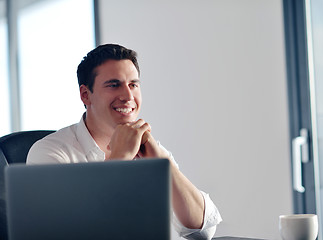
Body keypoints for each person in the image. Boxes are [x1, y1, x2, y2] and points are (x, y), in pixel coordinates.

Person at [27, 44, 222, 240]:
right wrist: (119, 160)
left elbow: (202, 231)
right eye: (114, 85)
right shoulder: (49, 153)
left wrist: (164, 163)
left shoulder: (149, 150)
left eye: (133, 85)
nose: (128, 96)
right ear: (86, 95)